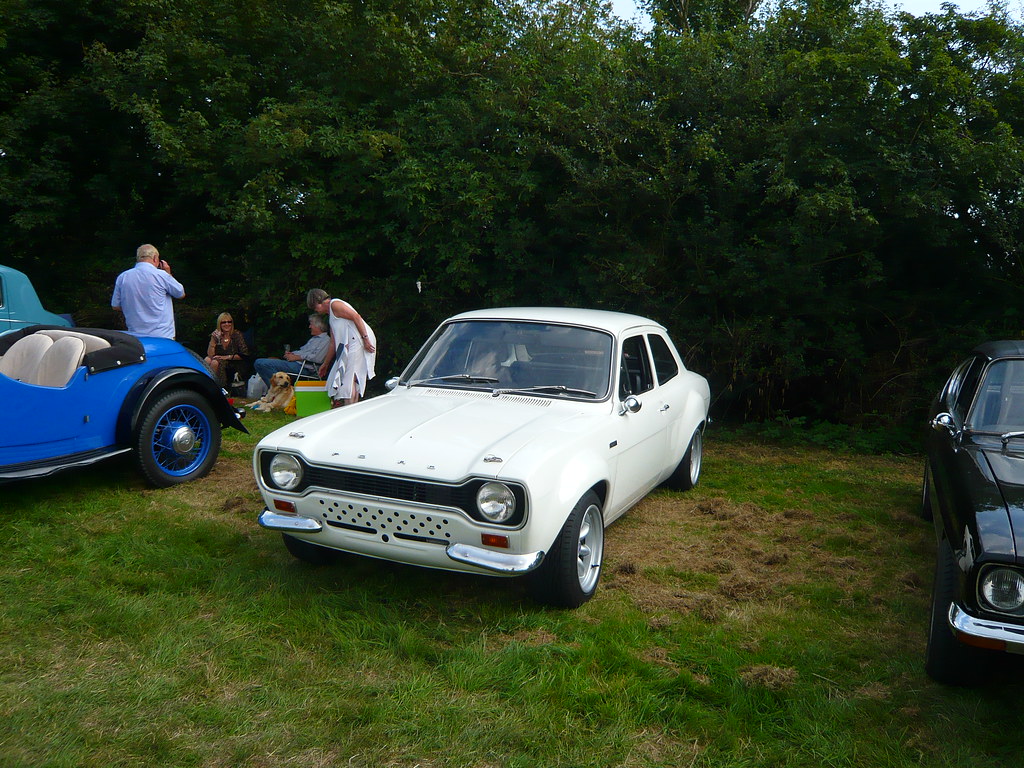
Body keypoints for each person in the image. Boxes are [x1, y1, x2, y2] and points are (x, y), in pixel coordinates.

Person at [307, 288, 376, 407]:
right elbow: (333, 343)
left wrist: (365, 340)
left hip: (359, 341)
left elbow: (356, 317)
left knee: (349, 378)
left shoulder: (335, 304)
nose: (316, 311)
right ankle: (350, 408)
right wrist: (326, 364)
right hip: (350, 345)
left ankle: (349, 409)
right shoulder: (331, 317)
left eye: (315, 307)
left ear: (319, 301)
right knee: (349, 378)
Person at [111, 244, 186, 339]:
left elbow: (116, 306)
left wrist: (136, 307)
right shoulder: (162, 275)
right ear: (155, 258)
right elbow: (180, 294)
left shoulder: (123, 277)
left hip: (135, 336)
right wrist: (168, 274)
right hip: (162, 335)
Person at [253, 313, 331, 386]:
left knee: (261, 363)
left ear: (319, 326)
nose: (309, 327)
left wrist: (297, 357)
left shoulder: (326, 340)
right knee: (262, 362)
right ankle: (278, 389)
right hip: (297, 364)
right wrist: (291, 354)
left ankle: (279, 390)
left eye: (311, 324)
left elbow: (318, 358)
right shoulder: (314, 339)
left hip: (305, 368)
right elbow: (302, 351)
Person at [204, 312, 250, 389]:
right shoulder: (216, 335)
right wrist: (213, 340)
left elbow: (244, 354)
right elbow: (210, 355)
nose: (227, 324)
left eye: (229, 322)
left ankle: (213, 387)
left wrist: (227, 357)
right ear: (220, 324)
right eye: (224, 322)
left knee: (215, 362)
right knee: (207, 359)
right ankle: (206, 385)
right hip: (219, 359)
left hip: (234, 361)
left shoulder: (237, 334)